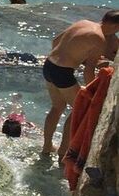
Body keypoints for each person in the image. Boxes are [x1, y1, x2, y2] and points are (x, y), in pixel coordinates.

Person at [41, 11, 119, 161]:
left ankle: (47, 147)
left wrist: (74, 56)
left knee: (57, 107)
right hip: (62, 72)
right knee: (79, 109)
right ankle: (63, 153)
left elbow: (55, 41)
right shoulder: (100, 39)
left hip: (49, 65)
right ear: (115, 26)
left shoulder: (83, 23)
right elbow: (88, 71)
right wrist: (93, 91)